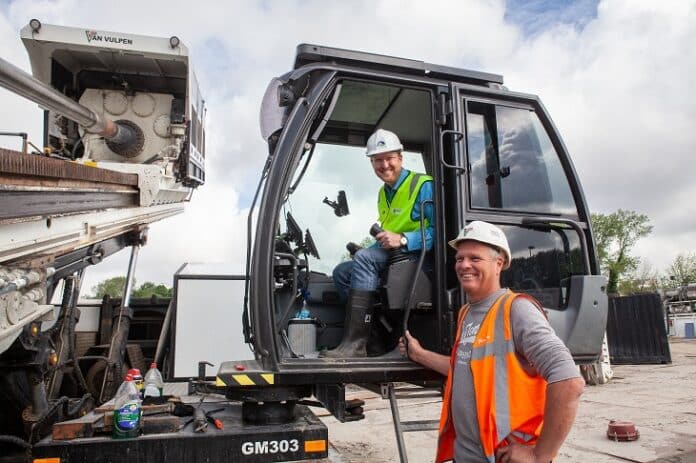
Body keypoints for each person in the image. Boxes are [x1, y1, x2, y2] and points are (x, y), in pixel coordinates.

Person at [400, 221, 585, 463]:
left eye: (475, 258)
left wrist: (540, 455)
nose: (464, 265)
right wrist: (419, 355)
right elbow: (466, 369)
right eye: (460, 258)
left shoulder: (516, 310)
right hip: (467, 455)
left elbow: (569, 382)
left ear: (499, 264)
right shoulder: (466, 313)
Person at [322, 128, 434, 358]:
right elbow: (389, 232)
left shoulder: (422, 185)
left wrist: (403, 238)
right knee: (342, 272)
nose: (384, 166)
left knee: (364, 260)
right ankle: (372, 342)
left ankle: (354, 345)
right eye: (377, 161)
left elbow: (441, 231)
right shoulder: (383, 194)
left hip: (416, 256)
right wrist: (372, 248)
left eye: (389, 158)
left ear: (400, 157)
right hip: (393, 255)